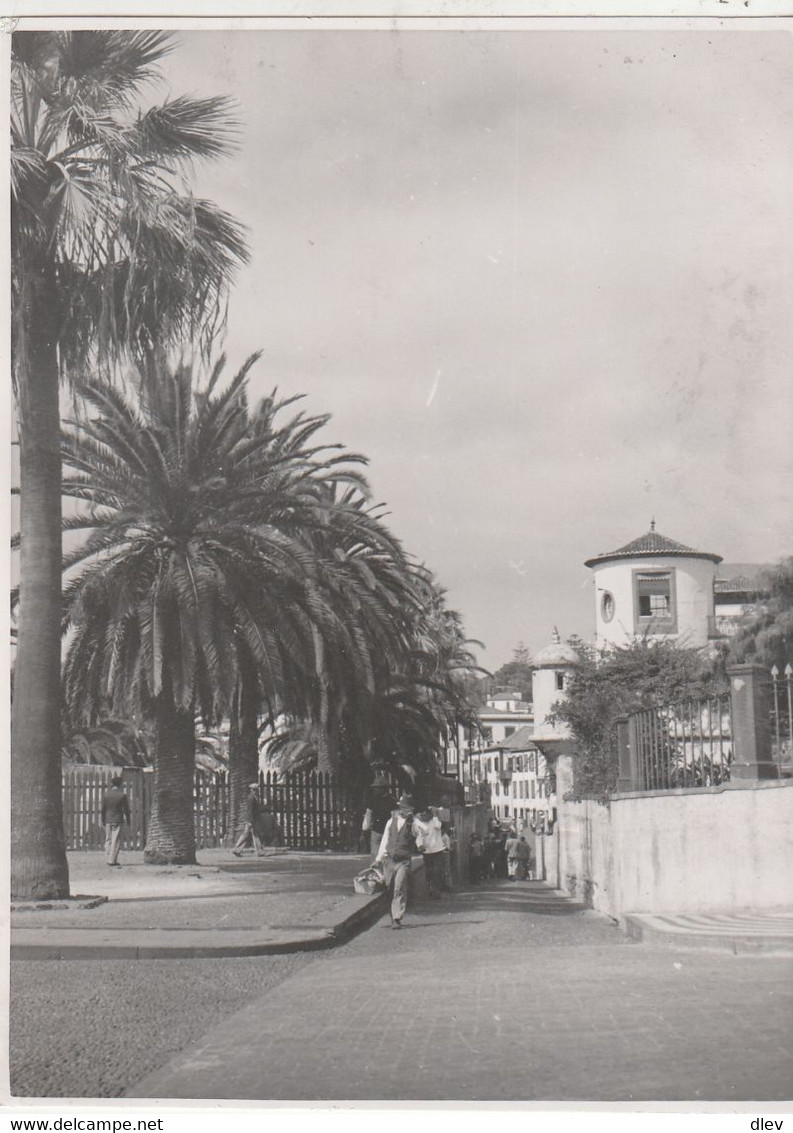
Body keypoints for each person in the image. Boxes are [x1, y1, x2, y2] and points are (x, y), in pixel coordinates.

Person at [374, 793, 416, 928]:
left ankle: (397, 917)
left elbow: (419, 837)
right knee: (389, 888)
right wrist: (378, 859)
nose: (406, 812)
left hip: (403, 861)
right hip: (389, 860)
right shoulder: (391, 821)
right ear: (400, 808)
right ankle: (392, 915)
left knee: (399, 887)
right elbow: (385, 840)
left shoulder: (413, 824)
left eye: (409, 810)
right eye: (404, 809)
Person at [412, 805, 445, 899]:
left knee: (437, 871)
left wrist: (435, 814)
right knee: (429, 872)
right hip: (427, 852)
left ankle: (437, 891)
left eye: (425, 815)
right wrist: (420, 846)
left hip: (437, 850)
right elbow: (418, 836)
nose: (423, 817)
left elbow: (438, 826)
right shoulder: (419, 825)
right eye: (421, 815)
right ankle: (430, 890)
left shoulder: (434, 821)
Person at [361, 773, 396, 857]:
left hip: (388, 833)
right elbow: (368, 816)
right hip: (376, 832)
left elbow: (394, 818)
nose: (375, 790)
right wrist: (365, 830)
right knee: (375, 856)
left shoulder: (392, 801)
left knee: (387, 856)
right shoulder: (373, 800)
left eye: (377, 788)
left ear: (384, 788)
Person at [101, 776, 130, 867]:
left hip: (108, 819)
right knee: (115, 840)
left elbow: (103, 809)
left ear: (112, 784)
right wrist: (128, 820)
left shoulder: (106, 794)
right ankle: (112, 860)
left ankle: (108, 857)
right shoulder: (122, 795)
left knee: (108, 839)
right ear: (120, 784)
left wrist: (103, 819)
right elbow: (126, 809)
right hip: (118, 819)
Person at [232, 782, 264, 857]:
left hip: (253, 819)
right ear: (251, 790)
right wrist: (250, 821)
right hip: (251, 820)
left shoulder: (254, 797)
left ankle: (258, 851)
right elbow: (249, 810)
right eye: (254, 789)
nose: (255, 791)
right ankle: (237, 848)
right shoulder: (251, 798)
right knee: (247, 834)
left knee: (254, 835)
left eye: (256, 789)